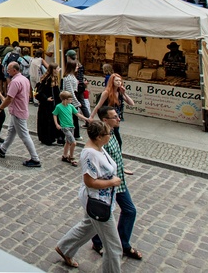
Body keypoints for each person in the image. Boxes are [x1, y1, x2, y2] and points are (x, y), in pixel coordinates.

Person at [54, 120, 123, 271]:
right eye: (108, 134)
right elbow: (90, 182)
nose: (110, 136)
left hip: (103, 200)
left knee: (89, 226)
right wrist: (112, 182)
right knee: (114, 247)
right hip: (98, 202)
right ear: (99, 136)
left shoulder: (99, 147)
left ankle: (65, 248)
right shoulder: (90, 154)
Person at [91, 106, 143, 260]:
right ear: (105, 120)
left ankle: (122, 244)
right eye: (115, 117)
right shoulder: (102, 139)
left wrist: (121, 167)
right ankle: (99, 242)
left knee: (129, 211)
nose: (119, 118)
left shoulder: (114, 133)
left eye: (118, 115)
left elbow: (116, 154)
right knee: (103, 214)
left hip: (119, 180)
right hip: (109, 184)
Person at [0, 62, 41, 167]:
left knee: (24, 135)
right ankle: (2, 149)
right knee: (11, 131)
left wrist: (0, 108)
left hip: (18, 111)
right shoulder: (24, 79)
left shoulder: (15, 82)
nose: (7, 71)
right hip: (21, 109)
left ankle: (35, 158)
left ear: (14, 70)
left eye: (9, 69)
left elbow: (9, 98)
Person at [92, 73, 136, 148]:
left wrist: (124, 93)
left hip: (116, 119)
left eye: (120, 80)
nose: (119, 82)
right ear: (112, 82)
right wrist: (91, 117)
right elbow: (98, 106)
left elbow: (132, 103)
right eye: (116, 80)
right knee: (116, 139)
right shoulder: (106, 93)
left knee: (114, 138)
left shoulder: (119, 93)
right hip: (109, 118)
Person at [54, 91, 88, 165]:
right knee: (74, 142)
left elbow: (77, 114)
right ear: (65, 99)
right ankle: (71, 157)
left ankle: (65, 155)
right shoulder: (58, 106)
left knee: (68, 142)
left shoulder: (71, 106)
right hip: (65, 127)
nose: (71, 101)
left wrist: (86, 119)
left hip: (71, 126)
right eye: (70, 99)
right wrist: (57, 124)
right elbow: (55, 114)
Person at [36, 62, 62, 145]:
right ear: (53, 70)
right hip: (47, 105)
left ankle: (51, 137)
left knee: (51, 120)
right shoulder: (47, 79)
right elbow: (40, 91)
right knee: (47, 121)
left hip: (52, 104)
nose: (58, 70)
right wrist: (46, 98)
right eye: (57, 69)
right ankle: (47, 138)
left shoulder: (54, 78)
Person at [62, 51, 83, 139]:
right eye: (76, 66)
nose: (77, 67)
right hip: (71, 101)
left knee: (73, 119)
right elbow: (71, 92)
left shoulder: (71, 77)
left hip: (71, 100)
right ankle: (73, 135)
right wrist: (76, 102)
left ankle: (74, 134)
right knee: (73, 119)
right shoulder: (69, 78)